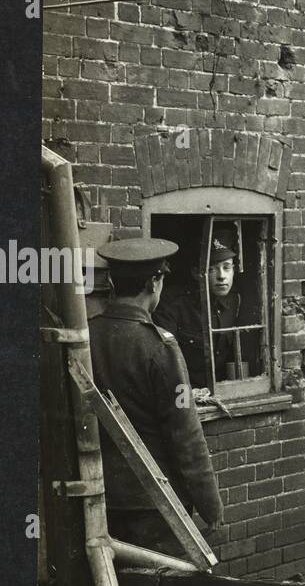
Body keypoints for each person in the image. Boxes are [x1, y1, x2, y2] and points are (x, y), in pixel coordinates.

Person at [89, 237, 223, 555]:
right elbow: (186, 435)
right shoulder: (160, 347)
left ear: (110, 281)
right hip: (155, 506)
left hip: (100, 500)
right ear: (154, 283)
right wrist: (210, 504)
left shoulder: (87, 336)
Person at [154, 230, 243, 390]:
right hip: (186, 394)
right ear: (196, 273)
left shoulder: (235, 301)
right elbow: (167, 365)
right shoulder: (174, 304)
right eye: (212, 269)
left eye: (227, 267)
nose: (222, 276)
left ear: (234, 270)